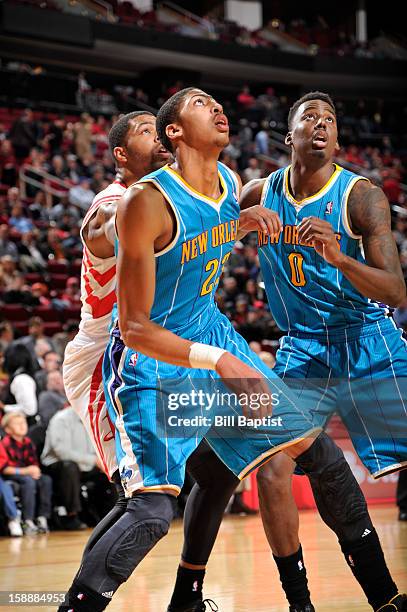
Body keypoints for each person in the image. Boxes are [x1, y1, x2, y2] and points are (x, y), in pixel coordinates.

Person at [59, 88, 394, 612]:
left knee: (310, 460)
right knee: (149, 512)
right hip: (141, 352)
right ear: (172, 134)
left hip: (210, 333)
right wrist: (219, 360)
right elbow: (129, 302)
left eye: (218, 103)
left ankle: (384, 599)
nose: (218, 109)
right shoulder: (132, 202)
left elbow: (200, 234)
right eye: (200, 103)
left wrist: (238, 225)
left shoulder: (232, 184)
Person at [238, 91, 407, 611]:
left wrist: (340, 258)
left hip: (366, 339)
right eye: (309, 117)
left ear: (336, 139)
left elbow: (395, 291)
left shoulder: (362, 197)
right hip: (302, 348)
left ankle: (385, 599)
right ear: (288, 137)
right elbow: (206, 229)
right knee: (271, 469)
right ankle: (299, 603)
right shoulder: (256, 195)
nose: (321, 124)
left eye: (330, 120)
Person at [0, 412, 52, 534]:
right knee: (28, 482)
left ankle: (42, 517)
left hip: (27, 473)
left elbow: (33, 462)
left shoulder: (28, 442)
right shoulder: (5, 443)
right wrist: (27, 471)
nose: (22, 426)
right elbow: (4, 468)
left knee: (45, 480)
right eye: (17, 424)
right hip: (12, 473)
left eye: (23, 422)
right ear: (8, 429)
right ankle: (27, 519)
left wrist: (35, 470)